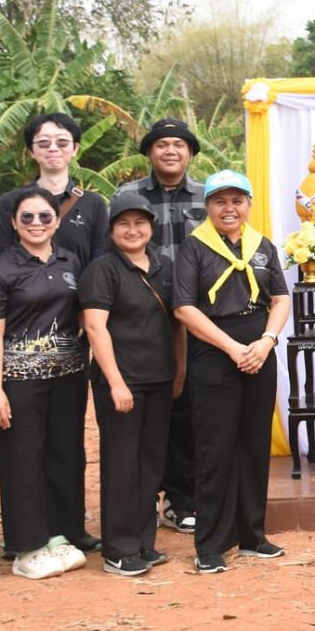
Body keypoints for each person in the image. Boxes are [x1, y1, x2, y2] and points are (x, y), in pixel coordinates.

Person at [174, 171, 292, 574]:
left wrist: (266, 342)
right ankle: (210, 543)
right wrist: (233, 348)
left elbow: (280, 298)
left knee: (254, 443)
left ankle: (252, 535)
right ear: (207, 207)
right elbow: (184, 308)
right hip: (214, 349)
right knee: (215, 447)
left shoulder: (262, 246)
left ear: (249, 204)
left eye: (237, 200)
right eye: (220, 201)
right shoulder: (194, 248)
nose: (230, 209)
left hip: (259, 348)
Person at [0, 185, 90, 580]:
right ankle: (27, 545)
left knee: (63, 455)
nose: (37, 223)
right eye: (27, 217)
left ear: (57, 221)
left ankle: (60, 535)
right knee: (22, 458)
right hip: (19, 381)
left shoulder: (71, 262)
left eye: (45, 216)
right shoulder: (0, 269)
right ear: (14, 223)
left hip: (69, 378)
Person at [81, 193, 186, 577]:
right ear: (111, 229)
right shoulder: (103, 270)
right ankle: (118, 549)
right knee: (122, 465)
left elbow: (178, 324)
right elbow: (94, 327)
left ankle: (144, 543)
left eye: (139, 223)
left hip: (159, 379)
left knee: (150, 464)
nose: (132, 230)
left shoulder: (165, 267)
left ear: (151, 227)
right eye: (123, 224)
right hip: (120, 382)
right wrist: (115, 383)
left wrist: (179, 373)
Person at [127, 117, 206, 540]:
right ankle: (141, 500)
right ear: (150, 152)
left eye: (178, 143)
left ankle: (181, 498)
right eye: (161, 144)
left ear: (189, 152)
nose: (170, 150)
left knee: (190, 407)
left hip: (197, 317)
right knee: (150, 407)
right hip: (144, 317)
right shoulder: (128, 196)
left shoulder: (208, 195)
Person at [0, 112, 109, 271]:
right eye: (44, 143)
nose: (53, 148)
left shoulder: (93, 203)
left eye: (62, 142)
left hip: (80, 294)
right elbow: (2, 259)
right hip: (23, 293)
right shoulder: (10, 202)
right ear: (31, 151)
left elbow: (99, 261)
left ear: (75, 148)